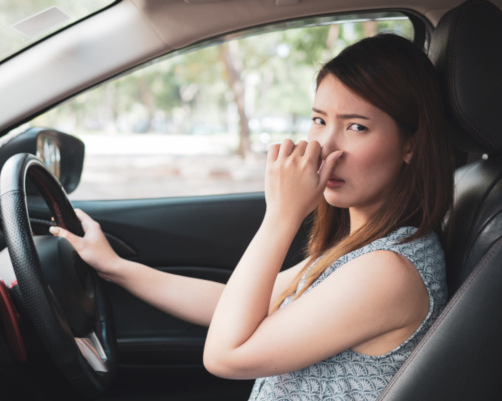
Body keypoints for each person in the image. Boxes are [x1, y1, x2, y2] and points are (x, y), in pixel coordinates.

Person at [50, 33, 454, 400]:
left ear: (411, 147)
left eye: (357, 127)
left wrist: (282, 214)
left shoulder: (388, 270)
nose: (325, 147)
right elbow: (237, 306)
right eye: (319, 120)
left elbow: (227, 356)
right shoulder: (362, 248)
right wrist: (117, 268)